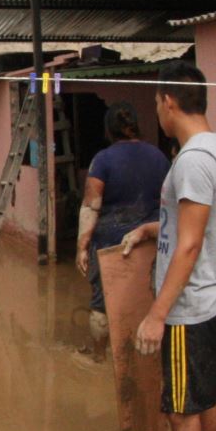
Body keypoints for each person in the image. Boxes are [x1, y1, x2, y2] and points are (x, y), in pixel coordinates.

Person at [122, 62, 216, 431]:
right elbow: (191, 225)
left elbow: (189, 246)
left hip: (189, 308)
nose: (157, 111)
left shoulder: (191, 160)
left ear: (168, 102)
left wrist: (156, 313)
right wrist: (152, 228)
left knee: (182, 409)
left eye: (156, 102)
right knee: (206, 398)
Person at [75, 102, 170, 359]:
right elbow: (168, 205)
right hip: (151, 241)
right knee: (147, 295)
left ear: (109, 130)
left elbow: (91, 207)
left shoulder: (103, 160)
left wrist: (82, 246)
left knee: (101, 303)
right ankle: (143, 357)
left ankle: (99, 356)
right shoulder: (159, 157)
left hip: (110, 244)